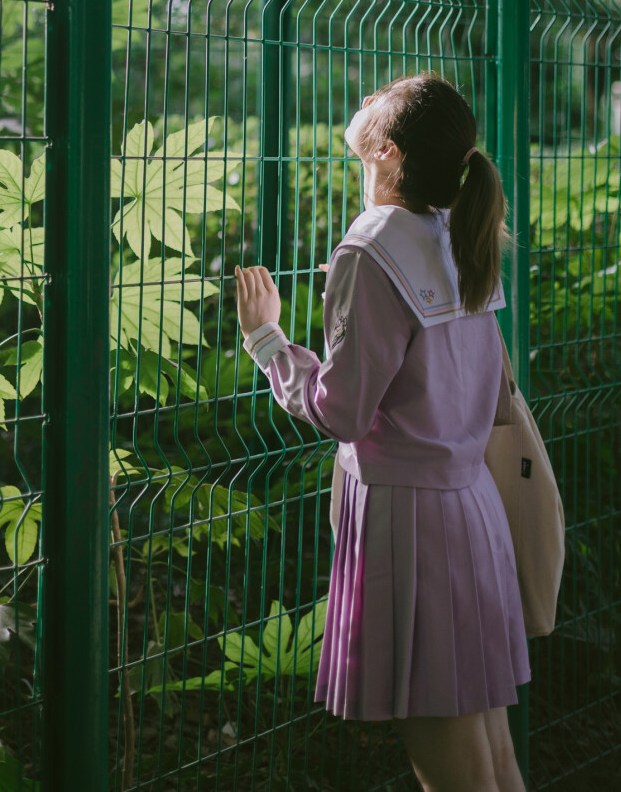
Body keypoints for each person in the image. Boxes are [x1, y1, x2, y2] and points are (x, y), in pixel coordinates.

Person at [234, 73, 529, 792]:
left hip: (410, 525)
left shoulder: (370, 249)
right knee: (489, 754)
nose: (362, 97)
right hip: (471, 510)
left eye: (378, 99)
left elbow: (342, 413)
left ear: (389, 150)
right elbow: (490, 395)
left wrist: (268, 342)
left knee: (454, 770)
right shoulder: (458, 230)